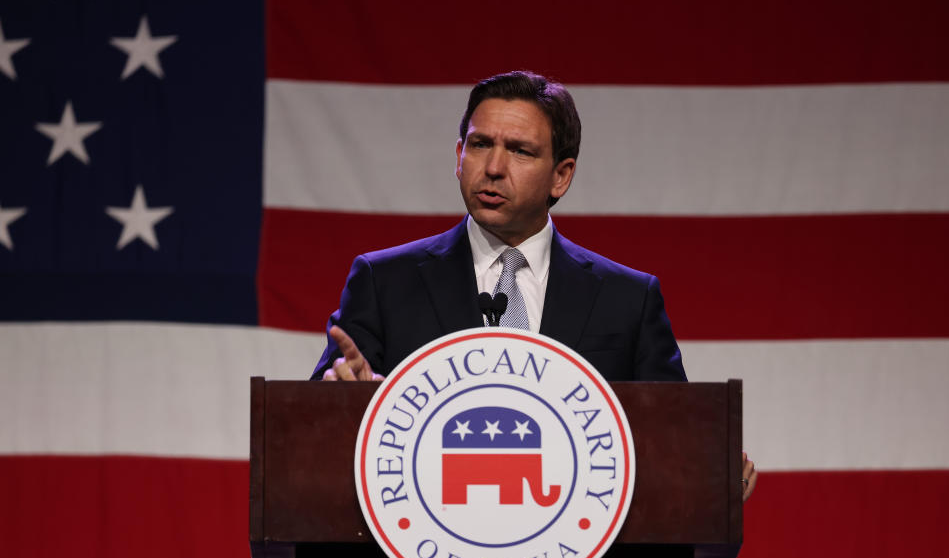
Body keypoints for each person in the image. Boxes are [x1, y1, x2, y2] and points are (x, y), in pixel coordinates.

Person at [310, 71, 757, 499]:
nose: (494, 167)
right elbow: (316, 421)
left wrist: (709, 474)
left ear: (561, 176)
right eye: (480, 144)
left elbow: (674, 441)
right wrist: (342, 398)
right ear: (458, 155)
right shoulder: (384, 281)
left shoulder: (627, 300)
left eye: (521, 151)